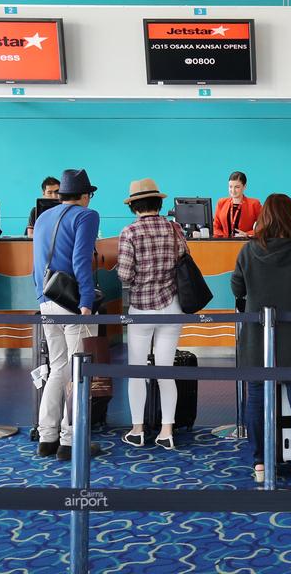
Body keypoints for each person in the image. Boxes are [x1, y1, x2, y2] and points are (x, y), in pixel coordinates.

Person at [231, 194, 291, 487]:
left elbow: (237, 288)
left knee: (255, 401)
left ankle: (260, 462)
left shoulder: (247, 251)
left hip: (257, 339)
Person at [31, 169, 103, 461]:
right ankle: (71, 441)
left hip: (46, 299)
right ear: (85, 195)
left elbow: (36, 261)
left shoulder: (43, 217)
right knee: (77, 374)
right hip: (72, 302)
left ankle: (47, 437)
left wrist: (40, 295)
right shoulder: (87, 216)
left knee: (57, 367)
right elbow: (80, 259)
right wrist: (86, 299)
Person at [116, 178, 186, 452]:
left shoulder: (129, 232)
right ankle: (167, 431)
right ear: (159, 203)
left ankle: (138, 430)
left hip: (141, 309)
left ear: (134, 206)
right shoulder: (174, 228)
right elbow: (184, 258)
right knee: (165, 371)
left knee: (137, 371)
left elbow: (124, 274)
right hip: (172, 306)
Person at [213, 171, 262, 239]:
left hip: (245, 244)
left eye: (237, 187)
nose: (233, 190)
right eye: (230, 187)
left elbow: (264, 226)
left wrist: (247, 234)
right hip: (224, 244)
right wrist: (224, 238)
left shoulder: (254, 204)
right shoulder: (221, 203)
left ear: (244, 186)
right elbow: (215, 227)